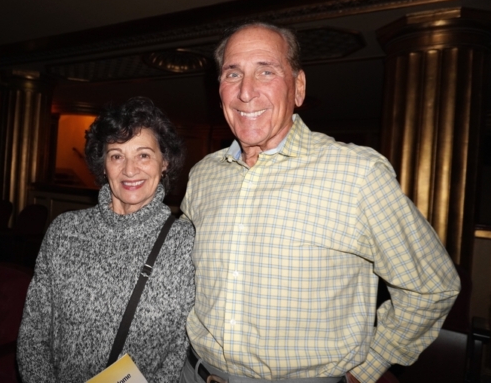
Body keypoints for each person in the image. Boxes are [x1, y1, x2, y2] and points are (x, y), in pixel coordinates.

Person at [179, 22, 460, 383]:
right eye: (233, 74)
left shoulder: (357, 174)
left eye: (266, 71)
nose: (246, 92)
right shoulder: (204, 174)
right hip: (193, 373)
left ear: (298, 87)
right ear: (219, 91)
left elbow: (432, 286)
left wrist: (367, 367)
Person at [17, 96, 195, 383]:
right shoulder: (65, 232)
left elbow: (180, 349)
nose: (129, 170)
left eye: (143, 155)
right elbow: (33, 331)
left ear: (165, 162)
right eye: (116, 156)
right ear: (103, 165)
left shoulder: (185, 243)